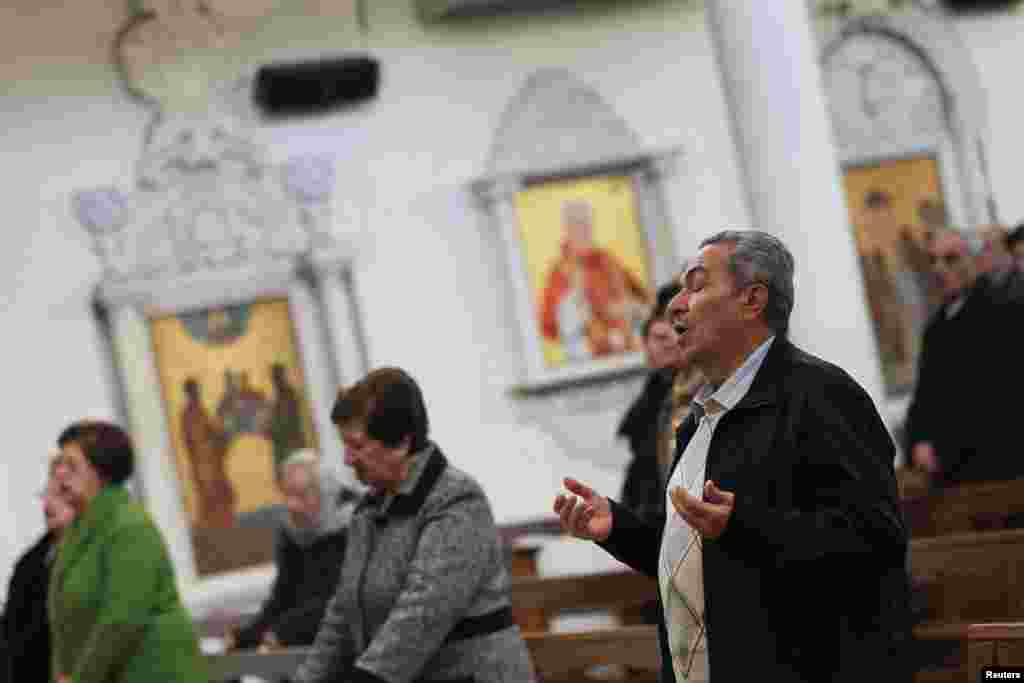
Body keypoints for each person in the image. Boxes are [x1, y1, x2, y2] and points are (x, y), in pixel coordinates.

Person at [554, 230, 910, 682]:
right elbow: (701, 556)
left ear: (752, 300)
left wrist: (744, 525)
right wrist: (617, 528)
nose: (675, 305)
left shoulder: (820, 394)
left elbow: (876, 540)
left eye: (697, 285)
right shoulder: (701, 417)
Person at [294, 368, 535, 683]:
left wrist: (366, 678)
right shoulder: (368, 510)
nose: (347, 459)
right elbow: (342, 613)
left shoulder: (456, 499)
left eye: (356, 445)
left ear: (402, 443)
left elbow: (424, 612)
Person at [49, 419, 208, 683]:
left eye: (71, 465)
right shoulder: (80, 526)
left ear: (101, 471)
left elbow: (121, 620)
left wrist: (81, 680)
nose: (60, 473)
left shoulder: (128, 526)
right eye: (59, 464)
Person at [903, 227, 1024, 485]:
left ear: (974, 260)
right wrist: (917, 442)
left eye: (951, 259)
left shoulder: (1003, 311)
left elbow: (998, 398)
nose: (939, 269)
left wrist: (940, 449)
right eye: (933, 260)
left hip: (998, 469)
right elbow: (924, 397)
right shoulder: (935, 328)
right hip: (946, 474)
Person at [226, 448, 357, 653]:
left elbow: (341, 601)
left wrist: (284, 632)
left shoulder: (356, 527)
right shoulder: (292, 533)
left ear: (325, 493)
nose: (292, 505)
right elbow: (282, 599)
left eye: (301, 495)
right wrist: (245, 638)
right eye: (287, 494)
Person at [539, 199, 651, 360]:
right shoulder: (559, 273)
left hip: (629, 349)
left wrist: (631, 308)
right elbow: (548, 326)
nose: (584, 231)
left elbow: (646, 303)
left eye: (587, 224)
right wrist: (582, 316)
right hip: (590, 358)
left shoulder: (608, 260)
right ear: (567, 229)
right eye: (577, 225)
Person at [3, 453, 76, 683]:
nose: (47, 505)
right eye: (46, 495)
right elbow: (12, 631)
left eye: (58, 495)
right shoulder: (29, 562)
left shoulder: (101, 550)